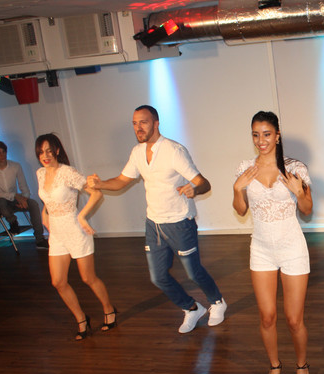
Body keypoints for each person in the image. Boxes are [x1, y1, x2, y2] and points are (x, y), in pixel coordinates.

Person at [88, 105, 226, 333]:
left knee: (193, 272)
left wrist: (194, 189)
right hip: (154, 224)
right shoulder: (137, 152)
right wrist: (101, 184)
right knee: (158, 277)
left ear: (156, 123)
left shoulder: (174, 151)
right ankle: (192, 308)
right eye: (134, 123)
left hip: (180, 222)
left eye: (143, 122)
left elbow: (204, 183)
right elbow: (122, 180)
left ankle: (218, 302)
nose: (138, 127)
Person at [233, 111, 313, 374]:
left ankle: (302, 365)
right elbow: (241, 210)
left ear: (277, 136)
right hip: (261, 249)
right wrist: (237, 189)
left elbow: (307, 210)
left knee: (294, 319)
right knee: (267, 317)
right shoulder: (246, 168)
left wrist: (299, 192)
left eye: (266, 134)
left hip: (292, 248)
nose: (261, 140)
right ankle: (275, 365)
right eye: (256, 135)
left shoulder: (295, 168)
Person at [35, 134, 116, 340]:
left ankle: (109, 309)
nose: (45, 156)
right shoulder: (40, 173)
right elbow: (48, 197)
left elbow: (96, 193)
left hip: (74, 229)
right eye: (41, 152)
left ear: (57, 151)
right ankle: (81, 318)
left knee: (88, 278)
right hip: (56, 233)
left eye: (49, 151)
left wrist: (82, 216)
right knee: (58, 282)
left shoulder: (67, 172)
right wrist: (45, 212)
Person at [0, 141, 48, 249]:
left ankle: (40, 239)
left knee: (33, 204)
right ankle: (13, 222)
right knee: (1, 201)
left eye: (4, 152)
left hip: (14, 200)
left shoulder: (15, 166)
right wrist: (16, 196)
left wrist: (24, 198)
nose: (2, 155)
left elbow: (24, 186)